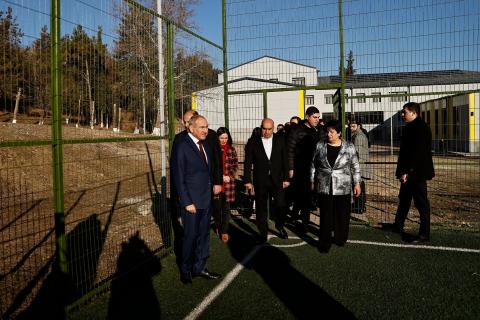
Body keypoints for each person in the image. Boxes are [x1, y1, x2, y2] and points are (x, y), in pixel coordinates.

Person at [170, 115, 221, 284]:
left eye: (206, 126)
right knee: (190, 237)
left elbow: (209, 170)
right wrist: (186, 202)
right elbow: (178, 176)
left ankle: (200, 267)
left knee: (203, 237)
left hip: (206, 200)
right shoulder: (181, 146)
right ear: (191, 128)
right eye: (201, 127)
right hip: (191, 203)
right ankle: (185, 270)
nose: (205, 130)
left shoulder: (205, 144)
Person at [310, 119, 361, 252]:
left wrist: (357, 183)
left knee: (342, 214)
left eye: (332, 132)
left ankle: (340, 238)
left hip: (343, 186)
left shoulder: (349, 146)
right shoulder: (320, 145)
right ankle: (324, 243)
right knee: (326, 215)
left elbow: (355, 166)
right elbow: (313, 164)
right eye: (327, 132)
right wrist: (311, 179)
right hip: (324, 185)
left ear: (339, 133)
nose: (329, 135)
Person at [244, 118, 290, 242]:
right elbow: (247, 162)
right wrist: (248, 180)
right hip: (260, 180)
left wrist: (286, 178)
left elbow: (285, 160)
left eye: (269, 129)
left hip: (278, 179)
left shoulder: (280, 140)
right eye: (264, 129)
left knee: (281, 205)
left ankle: (279, 226)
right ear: (261, 127)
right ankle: (263, 232)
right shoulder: (253, 142)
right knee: (261, 207)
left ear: (273, 128)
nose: (267, 132)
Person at [394, 102, 434, 242]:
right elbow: (406, 152)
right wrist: (403, 171)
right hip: (408, 172)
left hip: (417, 173)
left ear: (413, 112)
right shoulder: (410, 127)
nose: (402, 114)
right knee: (404, 199)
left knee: (421, 203)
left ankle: (424, 233)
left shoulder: (420, 128)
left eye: (405, 112)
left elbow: (418, 154)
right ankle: (397, 225)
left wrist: (408, 172)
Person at [287, 106, 324, 233]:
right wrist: (291, 168)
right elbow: (290, 149)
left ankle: (301, 220)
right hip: (299, 168)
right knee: (301, 196)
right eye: (315, 117)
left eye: (318, 117)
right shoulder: (297, 130)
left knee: (307, 196)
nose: (317, 120)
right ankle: (302, 222)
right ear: (307, 116)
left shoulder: (319, 130)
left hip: (313, 168)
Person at [213, 127, 238, 243]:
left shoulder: (231, 149)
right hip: (217, 183)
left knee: (226, 208)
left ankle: (224, 231)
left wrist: (230, 176)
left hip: (228, 184)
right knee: (217, 208)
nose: (224, 140)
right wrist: (218, 177)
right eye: (221, 138)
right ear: (217, 138)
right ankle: (218, 226)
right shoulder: (213, 149)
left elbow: (235, 166)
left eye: (226, 138)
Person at [350, 120, 370, 213]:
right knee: (360, 186)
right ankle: (360, 206)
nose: (351, 128)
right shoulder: (358, 135)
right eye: (350, 126)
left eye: (353, 126)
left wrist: (356, 168)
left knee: (359, 185)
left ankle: (359, 207)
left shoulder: (358, 137)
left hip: (360, 165)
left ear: (358, 126)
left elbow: (357, 154)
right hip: (361, 164)